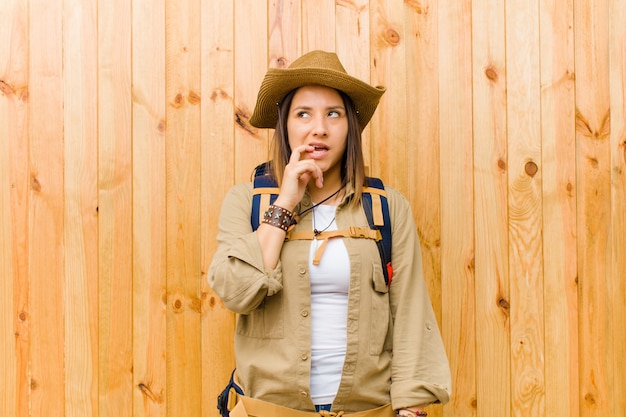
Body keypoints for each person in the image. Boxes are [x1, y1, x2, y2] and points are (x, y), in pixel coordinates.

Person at [208, 50, 451, 417]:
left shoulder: (386, 208)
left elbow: (411, 315)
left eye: (333, 114)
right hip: (268, 410)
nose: (318, 128)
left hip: (368, 410)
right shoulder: (247, 202)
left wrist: (411, 407)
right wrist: (284, 203)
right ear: (285, 125)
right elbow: (235, 292)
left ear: (349, 126)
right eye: (303, 113)